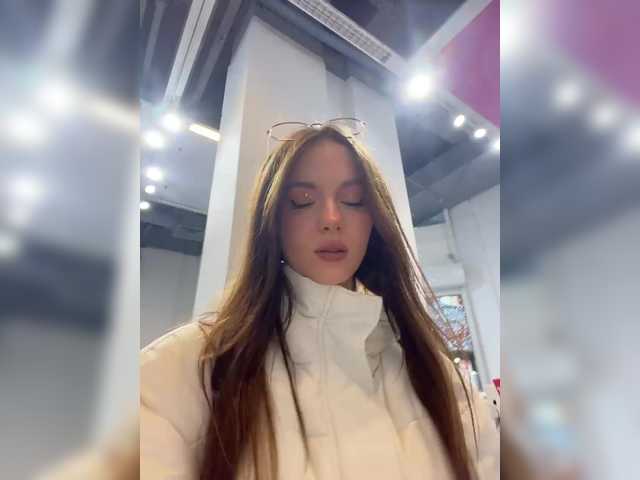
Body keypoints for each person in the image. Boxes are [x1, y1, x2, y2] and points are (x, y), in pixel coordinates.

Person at [140, 121, 499, 479]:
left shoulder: (439, 379)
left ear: (374, 220)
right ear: (273, 220)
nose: (331, 218)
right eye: (302, 201)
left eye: (353, 199)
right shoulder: (183, 372)